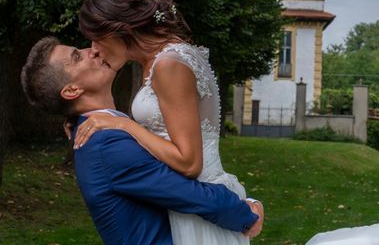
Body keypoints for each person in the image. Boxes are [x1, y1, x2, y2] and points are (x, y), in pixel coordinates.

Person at [20, 37, 264, 245]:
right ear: (72, 90)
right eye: (77, 57)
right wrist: (247, 211)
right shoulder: (105, 143)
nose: (92, 50)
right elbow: (190, 194)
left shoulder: (104, 130)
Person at [75, 0, 255, 245]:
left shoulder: (168, 64)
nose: (94, 50)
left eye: (95, 39)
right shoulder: (162, 58)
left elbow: (189, 163)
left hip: (200, 206)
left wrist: (126, 126)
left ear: (119, 29)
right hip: (188, 202)